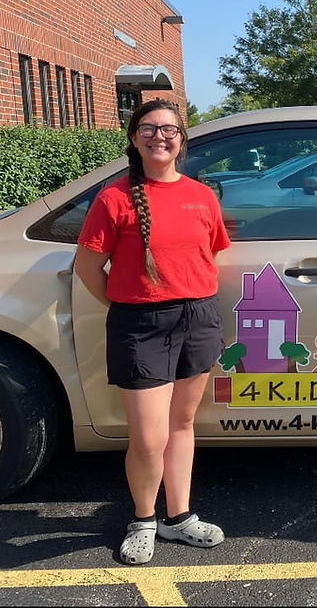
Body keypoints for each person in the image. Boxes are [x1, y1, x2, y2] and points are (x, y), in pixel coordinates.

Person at [74, 98, 230, 565]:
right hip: (139, 324)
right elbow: (87, 268)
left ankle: (178, 518)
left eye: (169, 129)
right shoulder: (115, 197)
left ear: (182, 140)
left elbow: (209, 253)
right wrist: (130, 305)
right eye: (149, 128)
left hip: (197, 317)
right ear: (133, 137)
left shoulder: (201, 195)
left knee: (182, 425)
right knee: (147, 437)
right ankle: (143, 520)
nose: (159, 136)